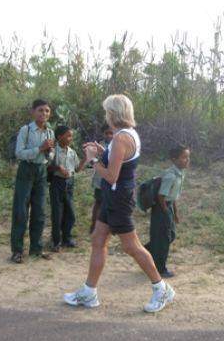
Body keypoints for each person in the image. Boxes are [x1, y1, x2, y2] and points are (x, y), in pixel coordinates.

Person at [63, 94, 175, 313]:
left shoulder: (121, 138)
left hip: (119, 199)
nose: (106, 115)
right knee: (98, 239)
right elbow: (121, 162)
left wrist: (92, 159)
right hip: (113, 197)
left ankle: (162, 289)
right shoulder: (125, 135)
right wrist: (103, 152)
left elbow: (112, 176)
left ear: (113, 113)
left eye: (107, 111)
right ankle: (89, 292)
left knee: (131, 246)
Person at [10, 99, 55, 264]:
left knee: (40, 211)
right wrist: (40, 149)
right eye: (40, 110)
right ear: (33, 112)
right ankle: (17, 250)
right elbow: (19, 153)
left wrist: (49, 152)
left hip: (41, 172)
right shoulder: (26, 130)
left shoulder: (50, 132)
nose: (44, 114)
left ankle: (36, 248)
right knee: (21, 211)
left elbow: (51, 156)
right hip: (26, 170)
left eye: (47, 111)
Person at [144, 144, 190, 278]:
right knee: (164, 239)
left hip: (167, 206)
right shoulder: (170, 175)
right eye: (184, 157)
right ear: (174, 159)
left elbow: (173, 196)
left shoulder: (180, 173)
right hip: (161, 207)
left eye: (188, 157)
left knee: (169, 236)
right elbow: (161, 196)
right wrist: (165, 212)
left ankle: (146, 252)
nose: (187, 160)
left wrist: (175, 213)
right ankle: (160, 269)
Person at [48, 125, 86, 252]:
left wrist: (86, 158)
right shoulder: (54, 151)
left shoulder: (72, 152)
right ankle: (56, 241)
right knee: (57, 213)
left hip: (69, 183)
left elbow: (77, 168)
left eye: (71, 136)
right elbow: (48, 166)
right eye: (68, 135)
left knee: (70, 212)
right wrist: (58, 168)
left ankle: (67, 238)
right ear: (59, 137)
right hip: (57, 182)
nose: (70, 138)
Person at [89, 124, 114, 234]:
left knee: (111, 203)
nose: (109, 135)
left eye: (111, 133)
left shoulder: (117, 146)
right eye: (106, 133)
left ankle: (110, 227)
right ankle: (94, 225)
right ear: (103, 134)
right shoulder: (98, 146)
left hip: (113, 179)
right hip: (101, 179)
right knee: (99, 203)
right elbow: (92, 160)